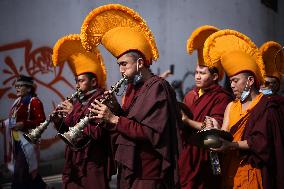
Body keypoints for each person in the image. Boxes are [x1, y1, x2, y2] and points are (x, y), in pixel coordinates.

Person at [82, 4, 182, 189]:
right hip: (129, 168)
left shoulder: (158, 87)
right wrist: (114, 109)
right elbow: (131, 121)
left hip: (148, 170)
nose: (121, 70)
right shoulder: (132, 88)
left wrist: (113, 119)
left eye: (124, 64)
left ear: (140, 63)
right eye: (119, 65)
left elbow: (151, 132)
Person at [203, 29, 284, 188]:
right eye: (231, 81)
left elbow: (262, 143)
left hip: (253, 173)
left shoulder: (265, 105)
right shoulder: (231, 106)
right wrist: (214, 130)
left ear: (250, 81)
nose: (231, 85)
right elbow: (225, 134)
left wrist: (232, 145)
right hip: (230, 174)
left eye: (235, 81)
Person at [51, 34, 115, 189]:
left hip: (93, 161)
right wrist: (58, 121)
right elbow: (69, 130)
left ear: (93, 81)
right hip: (74, 160)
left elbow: (97, 133)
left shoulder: (102, 99)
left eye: (81, 81)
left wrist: (73, 112)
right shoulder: (78, 101)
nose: (77, 86)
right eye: (76, 81)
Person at [178, 25, 232, 189]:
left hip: (206, 156)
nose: (197, 77)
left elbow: (215, 128)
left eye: (202, 73)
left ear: (215, 76)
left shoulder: (221, 97)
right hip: (187, 154)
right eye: (196, 72)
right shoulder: (190, 94)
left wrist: (187, 121)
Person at [1, 75, 47, 189]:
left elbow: (42, 121)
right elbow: (13, 121)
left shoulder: (34, 101)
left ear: (29, 88)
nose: (17, 88)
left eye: (20, 86)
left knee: (20, 172)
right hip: (16, 141)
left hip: (27, 142)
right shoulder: (17, 102)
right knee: (27, 172)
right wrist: (4, 124)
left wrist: (24, 124)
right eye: (16, 86)